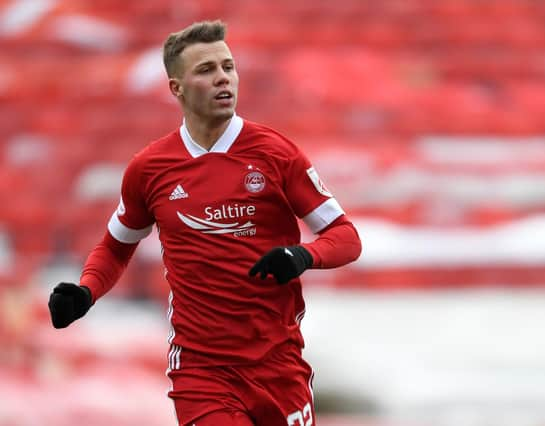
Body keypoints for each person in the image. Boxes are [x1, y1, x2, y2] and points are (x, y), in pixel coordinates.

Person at [47, 20, 362, 426]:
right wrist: (86, 291)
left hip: (278, 364)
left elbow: (346, 237)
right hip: (202, 369)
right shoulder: (150, 168)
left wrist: (303, 255)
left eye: (228, 67)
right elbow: (115, 246)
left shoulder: (276, 154)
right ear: (177, 88)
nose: (222, 79)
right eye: (206, 70)